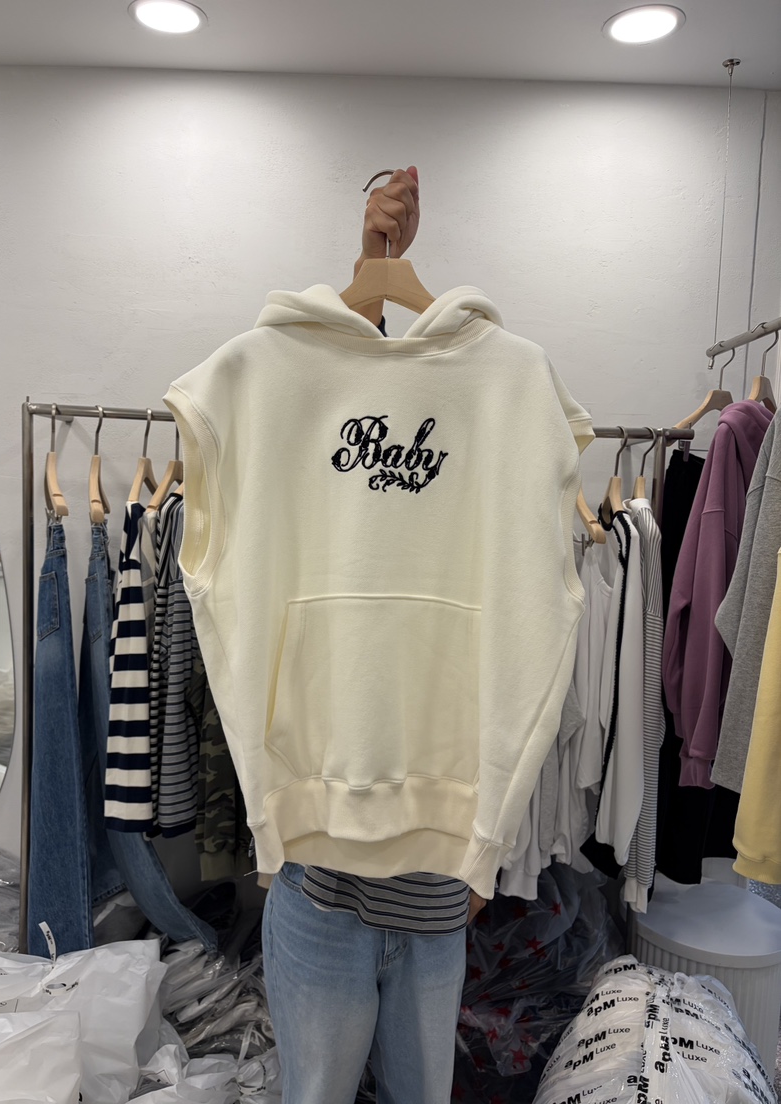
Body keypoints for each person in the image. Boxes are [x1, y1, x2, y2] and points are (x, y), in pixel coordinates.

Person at [261, 166, 487, 1104]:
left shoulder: (489, 412)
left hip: (435, 897)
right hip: (323, 887)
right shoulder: (313, 427)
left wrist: (494, 840)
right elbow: (340, 406)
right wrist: (371, 270)